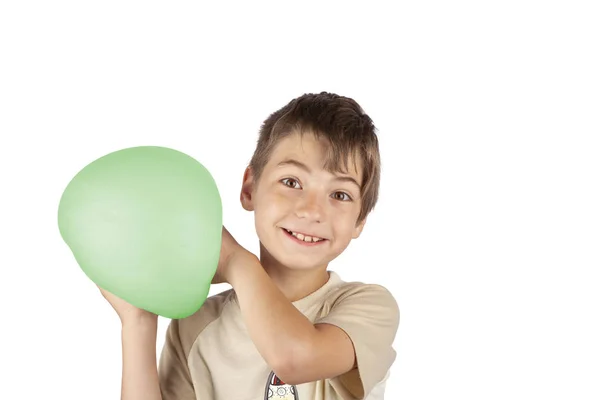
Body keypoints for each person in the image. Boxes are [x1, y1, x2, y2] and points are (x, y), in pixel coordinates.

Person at [99, 92, 400, 400]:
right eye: (292, 182)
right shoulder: (195, 325)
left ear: (360, 221)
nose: (312, 211)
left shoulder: (369, 307)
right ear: (249, 188)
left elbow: (295, 359)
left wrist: (236, 261)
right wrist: (138, 322)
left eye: (339, 195)